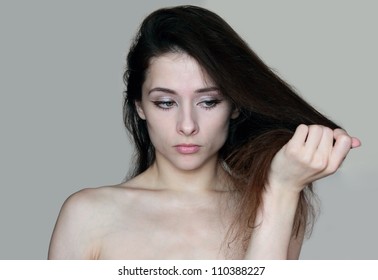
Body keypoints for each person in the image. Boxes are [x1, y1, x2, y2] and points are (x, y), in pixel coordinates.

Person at [48, 5, 361, 259]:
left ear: (235, 105)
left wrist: (281, 191)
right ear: (140, 106)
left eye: (209, 101)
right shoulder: (87, 216)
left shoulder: (272, 204)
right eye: (166, 102)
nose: (187, 125)